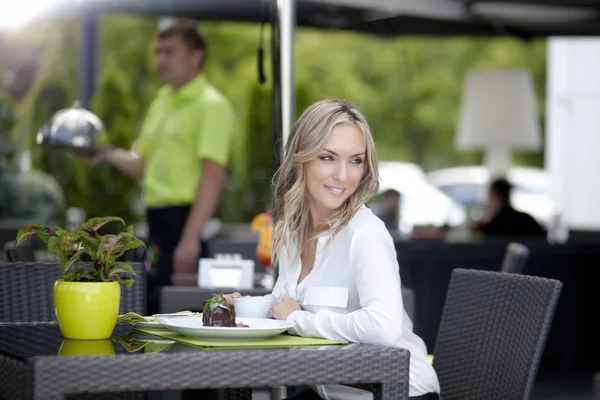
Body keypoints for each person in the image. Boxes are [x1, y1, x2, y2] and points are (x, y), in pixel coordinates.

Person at [225, 99, 440, 399]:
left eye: (355, 160)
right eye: (328, 157)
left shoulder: (365, 234)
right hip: (334, 391)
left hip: (396, 393)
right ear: (302, 158)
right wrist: (242, 309)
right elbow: (284, 304)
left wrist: (298, 321)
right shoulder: (294, 230)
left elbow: (384, 327)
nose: (343, 175)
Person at [79, 22, 236, 315]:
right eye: (157, 52)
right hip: (157, 226)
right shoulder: (161, 102)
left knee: (180, 314)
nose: (160, 60)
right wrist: (105, 154)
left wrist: (190, 240)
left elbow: (212, 177)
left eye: (170, 52)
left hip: (187, 226)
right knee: (151, 308)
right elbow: (143, 166)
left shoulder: (212, 105)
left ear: (196, 56)